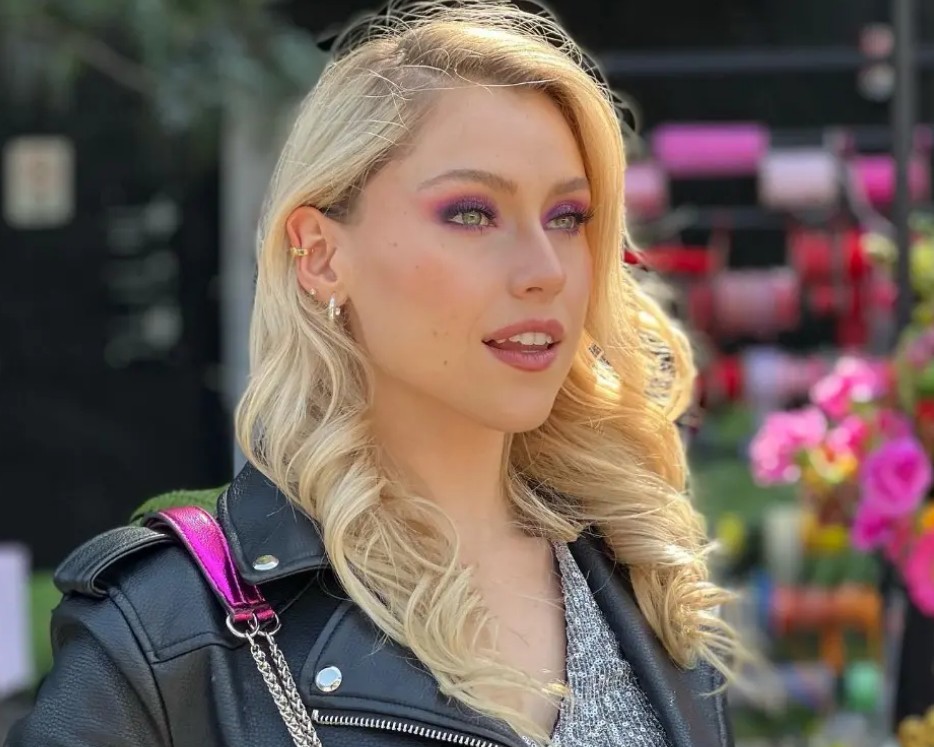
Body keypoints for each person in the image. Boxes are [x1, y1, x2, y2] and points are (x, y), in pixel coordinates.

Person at [7, 2, 740, 745]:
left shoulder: (642, 577)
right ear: (321, 255)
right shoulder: (164, 635)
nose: (545, 269)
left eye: (568, 217)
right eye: (472, 213)